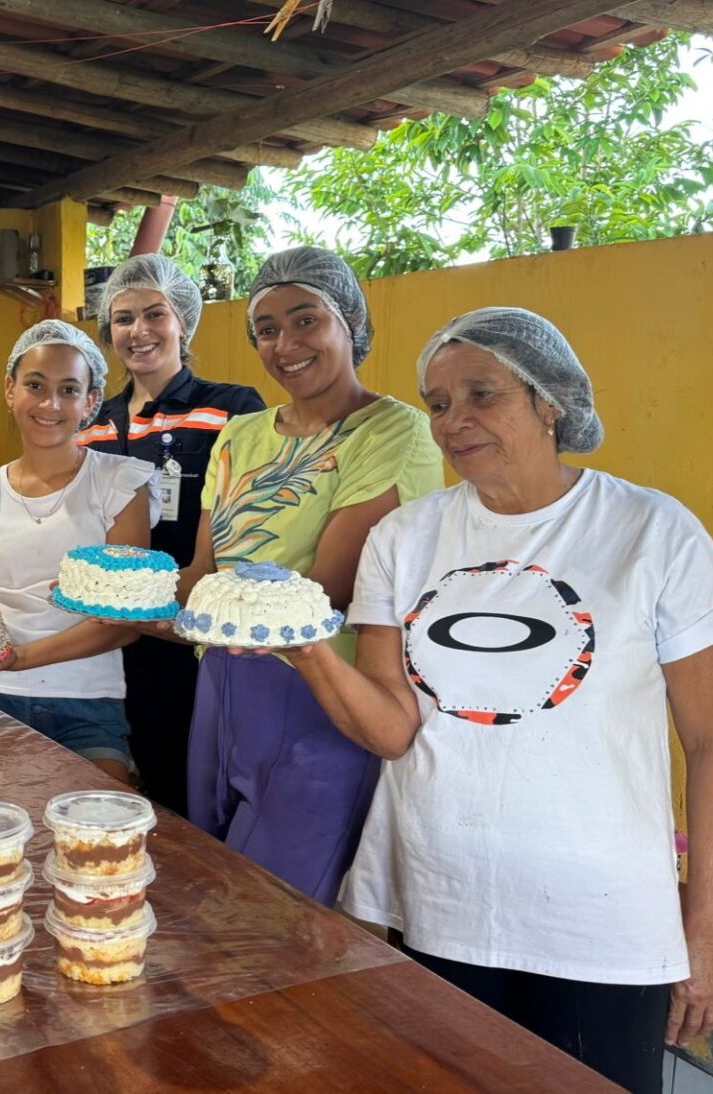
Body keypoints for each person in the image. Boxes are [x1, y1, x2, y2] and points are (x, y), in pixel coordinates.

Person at [282, 308, 713, 1091]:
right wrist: (302, 651)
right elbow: (393, 732)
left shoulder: (651, 531)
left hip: (601, 918)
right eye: (437, 403)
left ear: (550, 402)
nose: (454, 421)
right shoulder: (404, 538)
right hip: (444, 899)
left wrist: (707, 936)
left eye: (481, 395)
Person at [180, 247, 444, 902]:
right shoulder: (239, 435)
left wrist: (206, 610)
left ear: (350, 321)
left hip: (321, 689)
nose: (285, 344)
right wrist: (134, 603)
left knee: (274, 906)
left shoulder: (393, 432)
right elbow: (202, 571)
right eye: (265, 330)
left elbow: (329, 592)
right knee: (212, 876)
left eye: (305, 320)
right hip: (221, 681)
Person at [0, 320, 158, 783]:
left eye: (69, 389)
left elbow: (126, 625)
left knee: (95, 828)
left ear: (91, 402)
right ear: (10, 391)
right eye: (36, 385)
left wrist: (21, 659)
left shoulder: (120, 484)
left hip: (89, 702)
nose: (51, 404)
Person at [78, 253, 265, 815]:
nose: (139, 332)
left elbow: (238, 517)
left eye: (155, 314)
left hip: (190, 641)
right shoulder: (93, 421)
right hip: (104, 639)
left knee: (192, 788)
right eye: (123, 318)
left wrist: (185, 595)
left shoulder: (232, 408)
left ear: (183, 320)